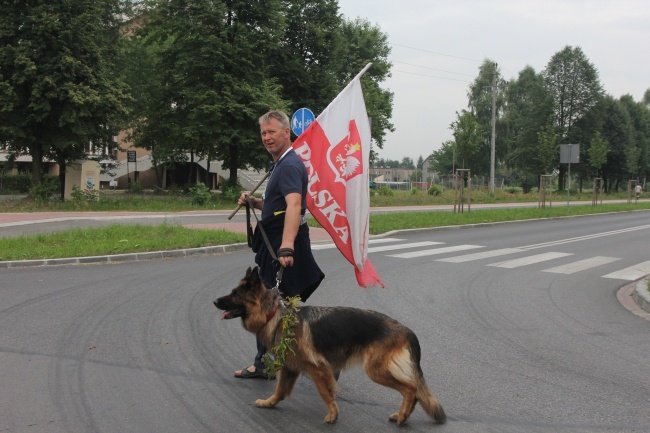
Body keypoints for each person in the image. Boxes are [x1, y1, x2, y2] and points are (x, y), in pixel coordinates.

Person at [234, 109, 325, 379]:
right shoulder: (280, 165)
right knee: (276, 309)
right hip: (274, 245)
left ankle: (321, 359)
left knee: (273, 308)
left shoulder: (288, 165)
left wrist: (286, 247)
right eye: (263, 133)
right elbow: (279, 206)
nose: (266, 137)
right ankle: (266, 362)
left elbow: (295, 204)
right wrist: (255, 203)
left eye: (272, 131)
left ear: (287, 132)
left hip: (281, 248)